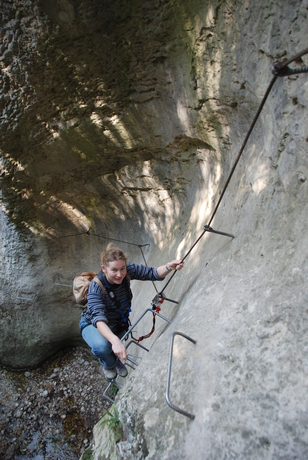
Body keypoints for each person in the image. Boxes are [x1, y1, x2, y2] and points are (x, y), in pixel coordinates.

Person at [79, 244, 184, 380]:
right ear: (104, 269)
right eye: (114, 270)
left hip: (117, 321)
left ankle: (115, 360)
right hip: (93, 324)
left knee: (116, 342)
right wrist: (114, 341)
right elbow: (99, 319)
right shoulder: (96, 288)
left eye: (122, 268)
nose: (119, 274)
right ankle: (110, 365)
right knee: (103, 347)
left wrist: (169, 266)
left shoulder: (128, 271)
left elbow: (152, 273)